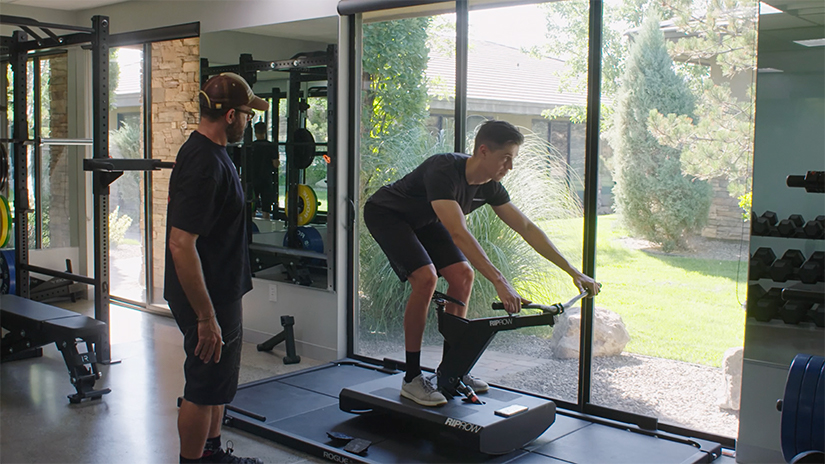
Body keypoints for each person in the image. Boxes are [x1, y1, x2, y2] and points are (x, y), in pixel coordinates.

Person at [363, 120, 601, 407]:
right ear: (484, 151)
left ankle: (451, 371)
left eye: (513, 160)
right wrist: (500, 281)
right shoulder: (444, 170)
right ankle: (412, 378)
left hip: (425, 219)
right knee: (426, 278)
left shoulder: (490, 187)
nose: (509, 167)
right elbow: (458, 233)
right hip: (388, 214)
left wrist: (574, 272)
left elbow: (526, 227)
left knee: (463, 275)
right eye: (506, 159)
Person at [165, 72, 268, 464]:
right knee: (204, 384)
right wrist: (206, 316)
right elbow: (181, 242)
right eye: (247, 114)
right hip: (205, 297)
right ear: (229, 116)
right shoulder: (205, 164)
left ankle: (211, 454)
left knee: (218, 382)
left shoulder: (210, 153)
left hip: (219, 290)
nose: (249, 121)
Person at [249, 122, 279, 220]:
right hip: (266, 179)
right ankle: (266, 231)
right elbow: (275, 164)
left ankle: (251, 230)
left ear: (255, 132)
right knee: (266, 208)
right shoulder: (271, 146)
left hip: (252, 179)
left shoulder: (250, 146)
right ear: (265, 131)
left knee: (252, 207)